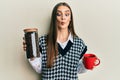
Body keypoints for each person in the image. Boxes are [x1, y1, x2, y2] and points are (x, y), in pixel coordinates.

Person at [23, 2, 87, 80]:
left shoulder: (79, 44)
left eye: (67, 14)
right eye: (59, 14)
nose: (63, 17)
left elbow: (79, 70)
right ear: (54, 18)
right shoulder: (43, 41)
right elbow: (39, 69)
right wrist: (30, 51)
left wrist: (87, 64)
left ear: (70, 18)